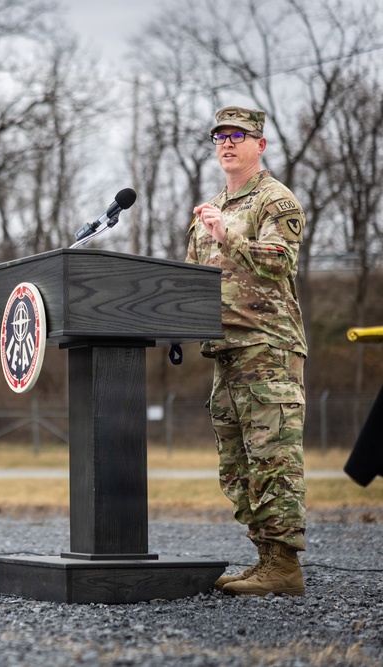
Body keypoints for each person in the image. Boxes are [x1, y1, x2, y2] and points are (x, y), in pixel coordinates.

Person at [186, 106, 308, 597]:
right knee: (238, 466)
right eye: (219, 137)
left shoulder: (275, 199)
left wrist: (227, 234)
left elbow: (280, 262)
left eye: (238, 135)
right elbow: (191, 281)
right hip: (226, 353)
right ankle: (265, 561)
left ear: (260, 144)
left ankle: (284, 567)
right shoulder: (210, 208)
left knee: (274, 459)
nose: (227, 144)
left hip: (267, 349)